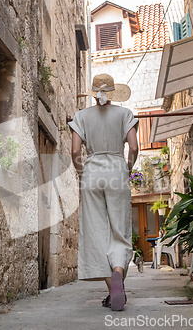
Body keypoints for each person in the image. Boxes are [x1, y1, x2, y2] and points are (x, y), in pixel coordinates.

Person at [68, 74, 139, 311]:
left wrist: (82, 173)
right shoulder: (124, 114)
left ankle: (112, 291)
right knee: (119, 229)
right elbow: (135, 147)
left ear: (93, 93)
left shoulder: (81, 116)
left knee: (97, 232)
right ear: (113, 93)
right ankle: (118, 271)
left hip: (92, 172)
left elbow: (75, 150)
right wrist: (126, 167)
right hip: (117, 169)